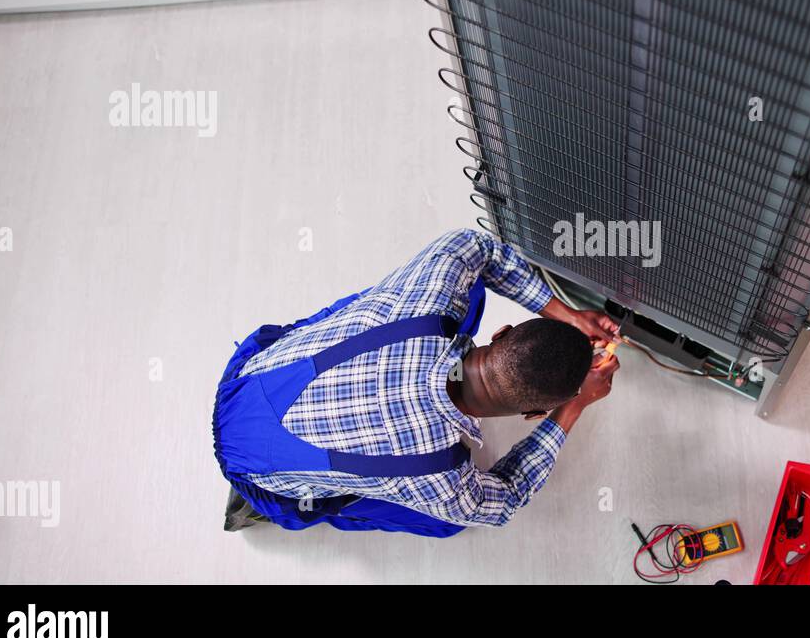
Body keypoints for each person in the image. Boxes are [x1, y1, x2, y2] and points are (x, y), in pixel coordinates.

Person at [212, 228, 620, 536]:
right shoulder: (440, 479)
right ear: (534, 413)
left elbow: (478, 246)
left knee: (457, 293)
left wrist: (565, 313)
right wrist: (573, 407)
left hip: (245, 385)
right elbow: (506, 498)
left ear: (501, 333)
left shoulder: (432, 295)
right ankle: (263, 505)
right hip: (256, 475)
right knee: (448, 522)